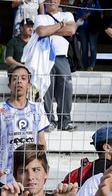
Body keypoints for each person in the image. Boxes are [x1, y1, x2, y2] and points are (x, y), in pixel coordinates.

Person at [0, 64, 49, 185]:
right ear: (9, 85)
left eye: (23, 78)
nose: (19, 81)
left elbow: (41, 141)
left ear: (29, 84)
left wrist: (43, 166)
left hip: (31, 175)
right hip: (6, 175)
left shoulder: (37, 109)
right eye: (15, 78)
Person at [34, 0, 78, 132]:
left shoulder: (68, 15)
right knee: (46, 88)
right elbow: (41, 31)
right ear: (45, 2)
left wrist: (50, 30)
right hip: (44, 57)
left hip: (61, 56)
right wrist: (60, 26)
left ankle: (65, 121)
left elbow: (71, 29)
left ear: (59, 1)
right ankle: (49, 120)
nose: (52, 1)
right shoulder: (40, 17)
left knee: (66, 87)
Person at [76, 1, 103, 71]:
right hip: (83, 27)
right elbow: (77, 17)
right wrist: (82, 17)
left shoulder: (96, 3)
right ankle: (85, 66)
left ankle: (91, 66)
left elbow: (101, 14)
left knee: (92, 47)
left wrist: (90, 14)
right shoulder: (81, 5)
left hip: (93, 27)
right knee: (84, 48)